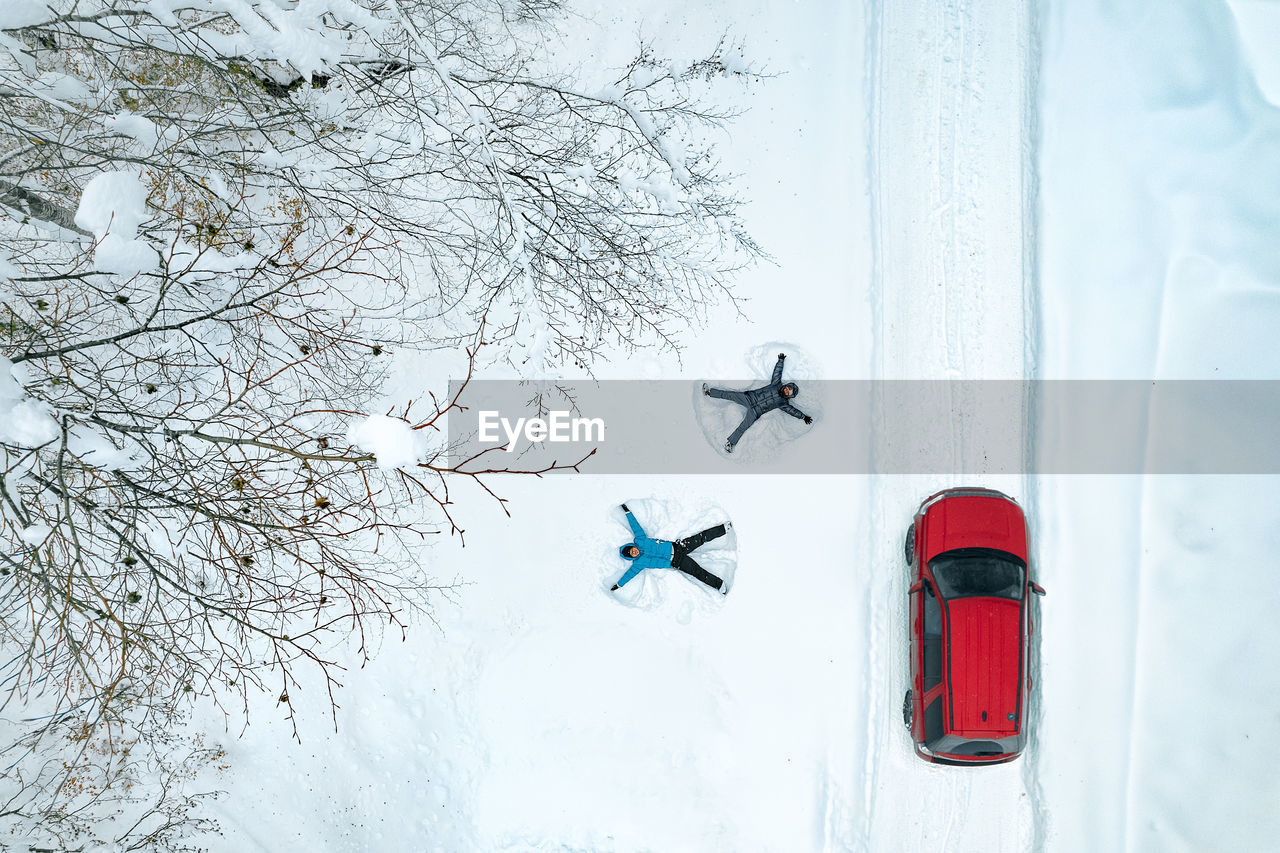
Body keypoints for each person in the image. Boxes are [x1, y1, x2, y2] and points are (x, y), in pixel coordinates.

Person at [703, 352, 813, 453]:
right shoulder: (776, 384)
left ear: (790, 395)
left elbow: (792, 411)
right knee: (729, 395)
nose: (787, 390)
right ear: (786, 386)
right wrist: (780, 361)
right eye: (788, 388)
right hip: (749, 398)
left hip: (755, 412)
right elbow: (777, 373)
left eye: (789, 392)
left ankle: (730, 443)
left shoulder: (783, 403)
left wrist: (803, 417)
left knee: (743, 426)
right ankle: (709, 392)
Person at [612, 503, 730, 593]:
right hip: (676, 562)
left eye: (632, 549)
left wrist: (628, 512)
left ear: (632, 546)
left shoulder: (640, 540)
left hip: (678, 547)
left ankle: (723, 529)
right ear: (632, 557)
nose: (634, 552)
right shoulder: (638, 564)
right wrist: (619, 585)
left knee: (700, 538)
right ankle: (719, 585)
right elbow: (629, 575)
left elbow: (635, 527)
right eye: (632, 554)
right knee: (698, 573)